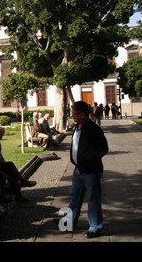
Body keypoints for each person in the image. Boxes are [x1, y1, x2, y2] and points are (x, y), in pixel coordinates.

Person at [68, 100, 108, 239]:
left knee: (93, 199)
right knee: (74, 197)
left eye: (74, 114)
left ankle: (95, 227)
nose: (72, 116)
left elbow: (103, 149)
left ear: (83, 114)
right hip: (78, 169)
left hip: (91, 170)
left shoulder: (93, 129)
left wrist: (88, 159)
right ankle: (68, 222)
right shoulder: (77, 126)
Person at [0, 126, 37, 202]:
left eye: (1, 135)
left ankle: (18, 195)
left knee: (11, 175)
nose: (0, 136)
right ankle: (23, 181)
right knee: (10, 165)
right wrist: (5, 164)